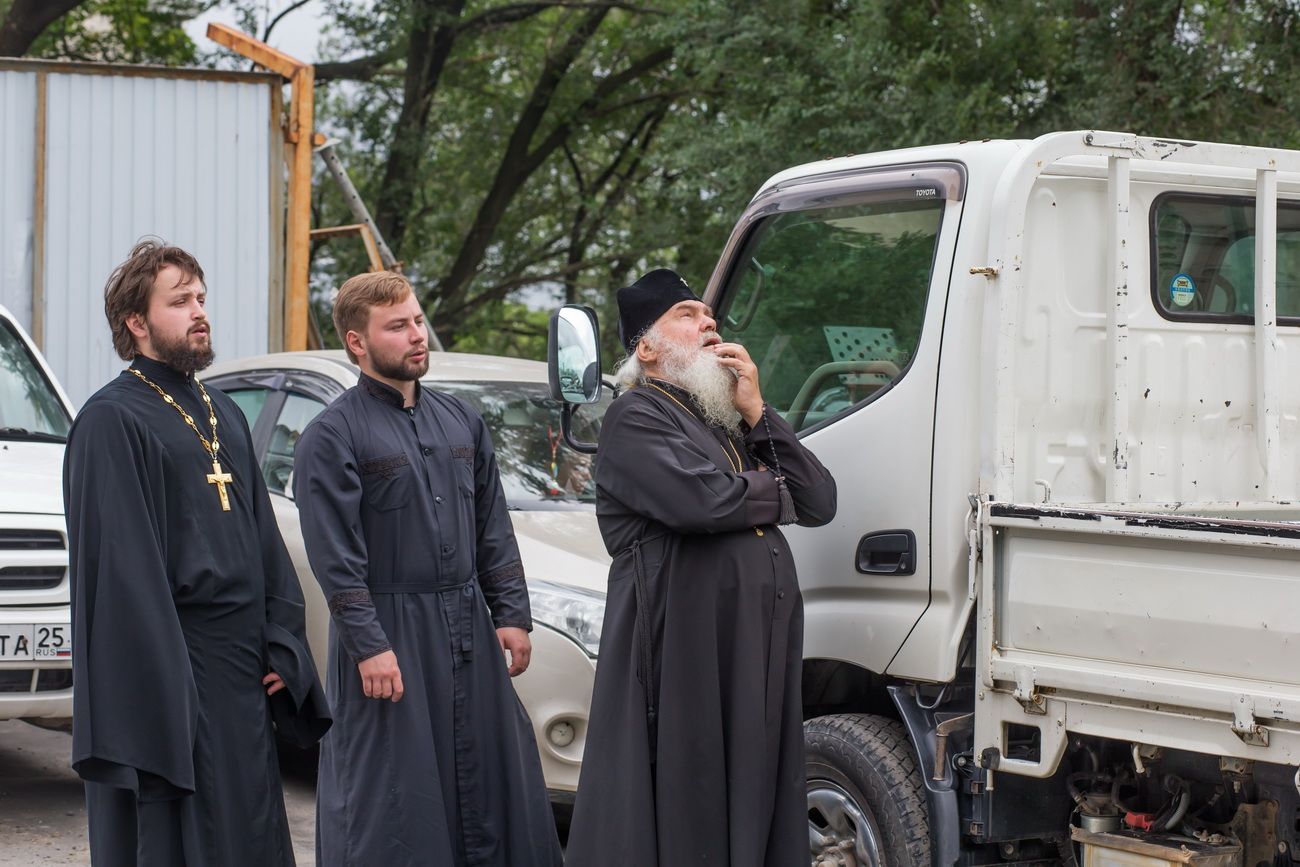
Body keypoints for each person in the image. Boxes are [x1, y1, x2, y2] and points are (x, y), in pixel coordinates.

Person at [63, 239, 330, 866]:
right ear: (137, 322)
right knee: (179, 834)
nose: (199, 311)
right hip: (173, 667)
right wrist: (166, 679)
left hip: (242, 668)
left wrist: (280, 641)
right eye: (180, 301)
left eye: (201, 298)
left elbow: (264, 539)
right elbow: (120, 573)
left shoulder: (222, 413)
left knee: (248, 824)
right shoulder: (111, 419)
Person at [565, 268, 838, 866]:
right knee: (692, 786)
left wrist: (758, 412)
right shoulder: (635, 415)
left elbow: (819, 500)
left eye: (711, 316)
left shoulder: (727, 419)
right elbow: (705, 503)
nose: (710, 325)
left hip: (748, 641)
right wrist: (771, 488)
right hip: (684, 644)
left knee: (756, 777)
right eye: (687, 316)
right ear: (647, 347)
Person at [292, 271, 562, 867]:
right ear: (357, 342)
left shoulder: (461, 421)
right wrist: (369, 646)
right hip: (389, 635)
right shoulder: (331, 436)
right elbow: (335, 558)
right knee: (394, 792)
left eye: (417, 320)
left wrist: (511, 614)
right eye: (397, 326)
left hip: (468, 627)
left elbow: (492, 526)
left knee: (488, 777)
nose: (417, 334)